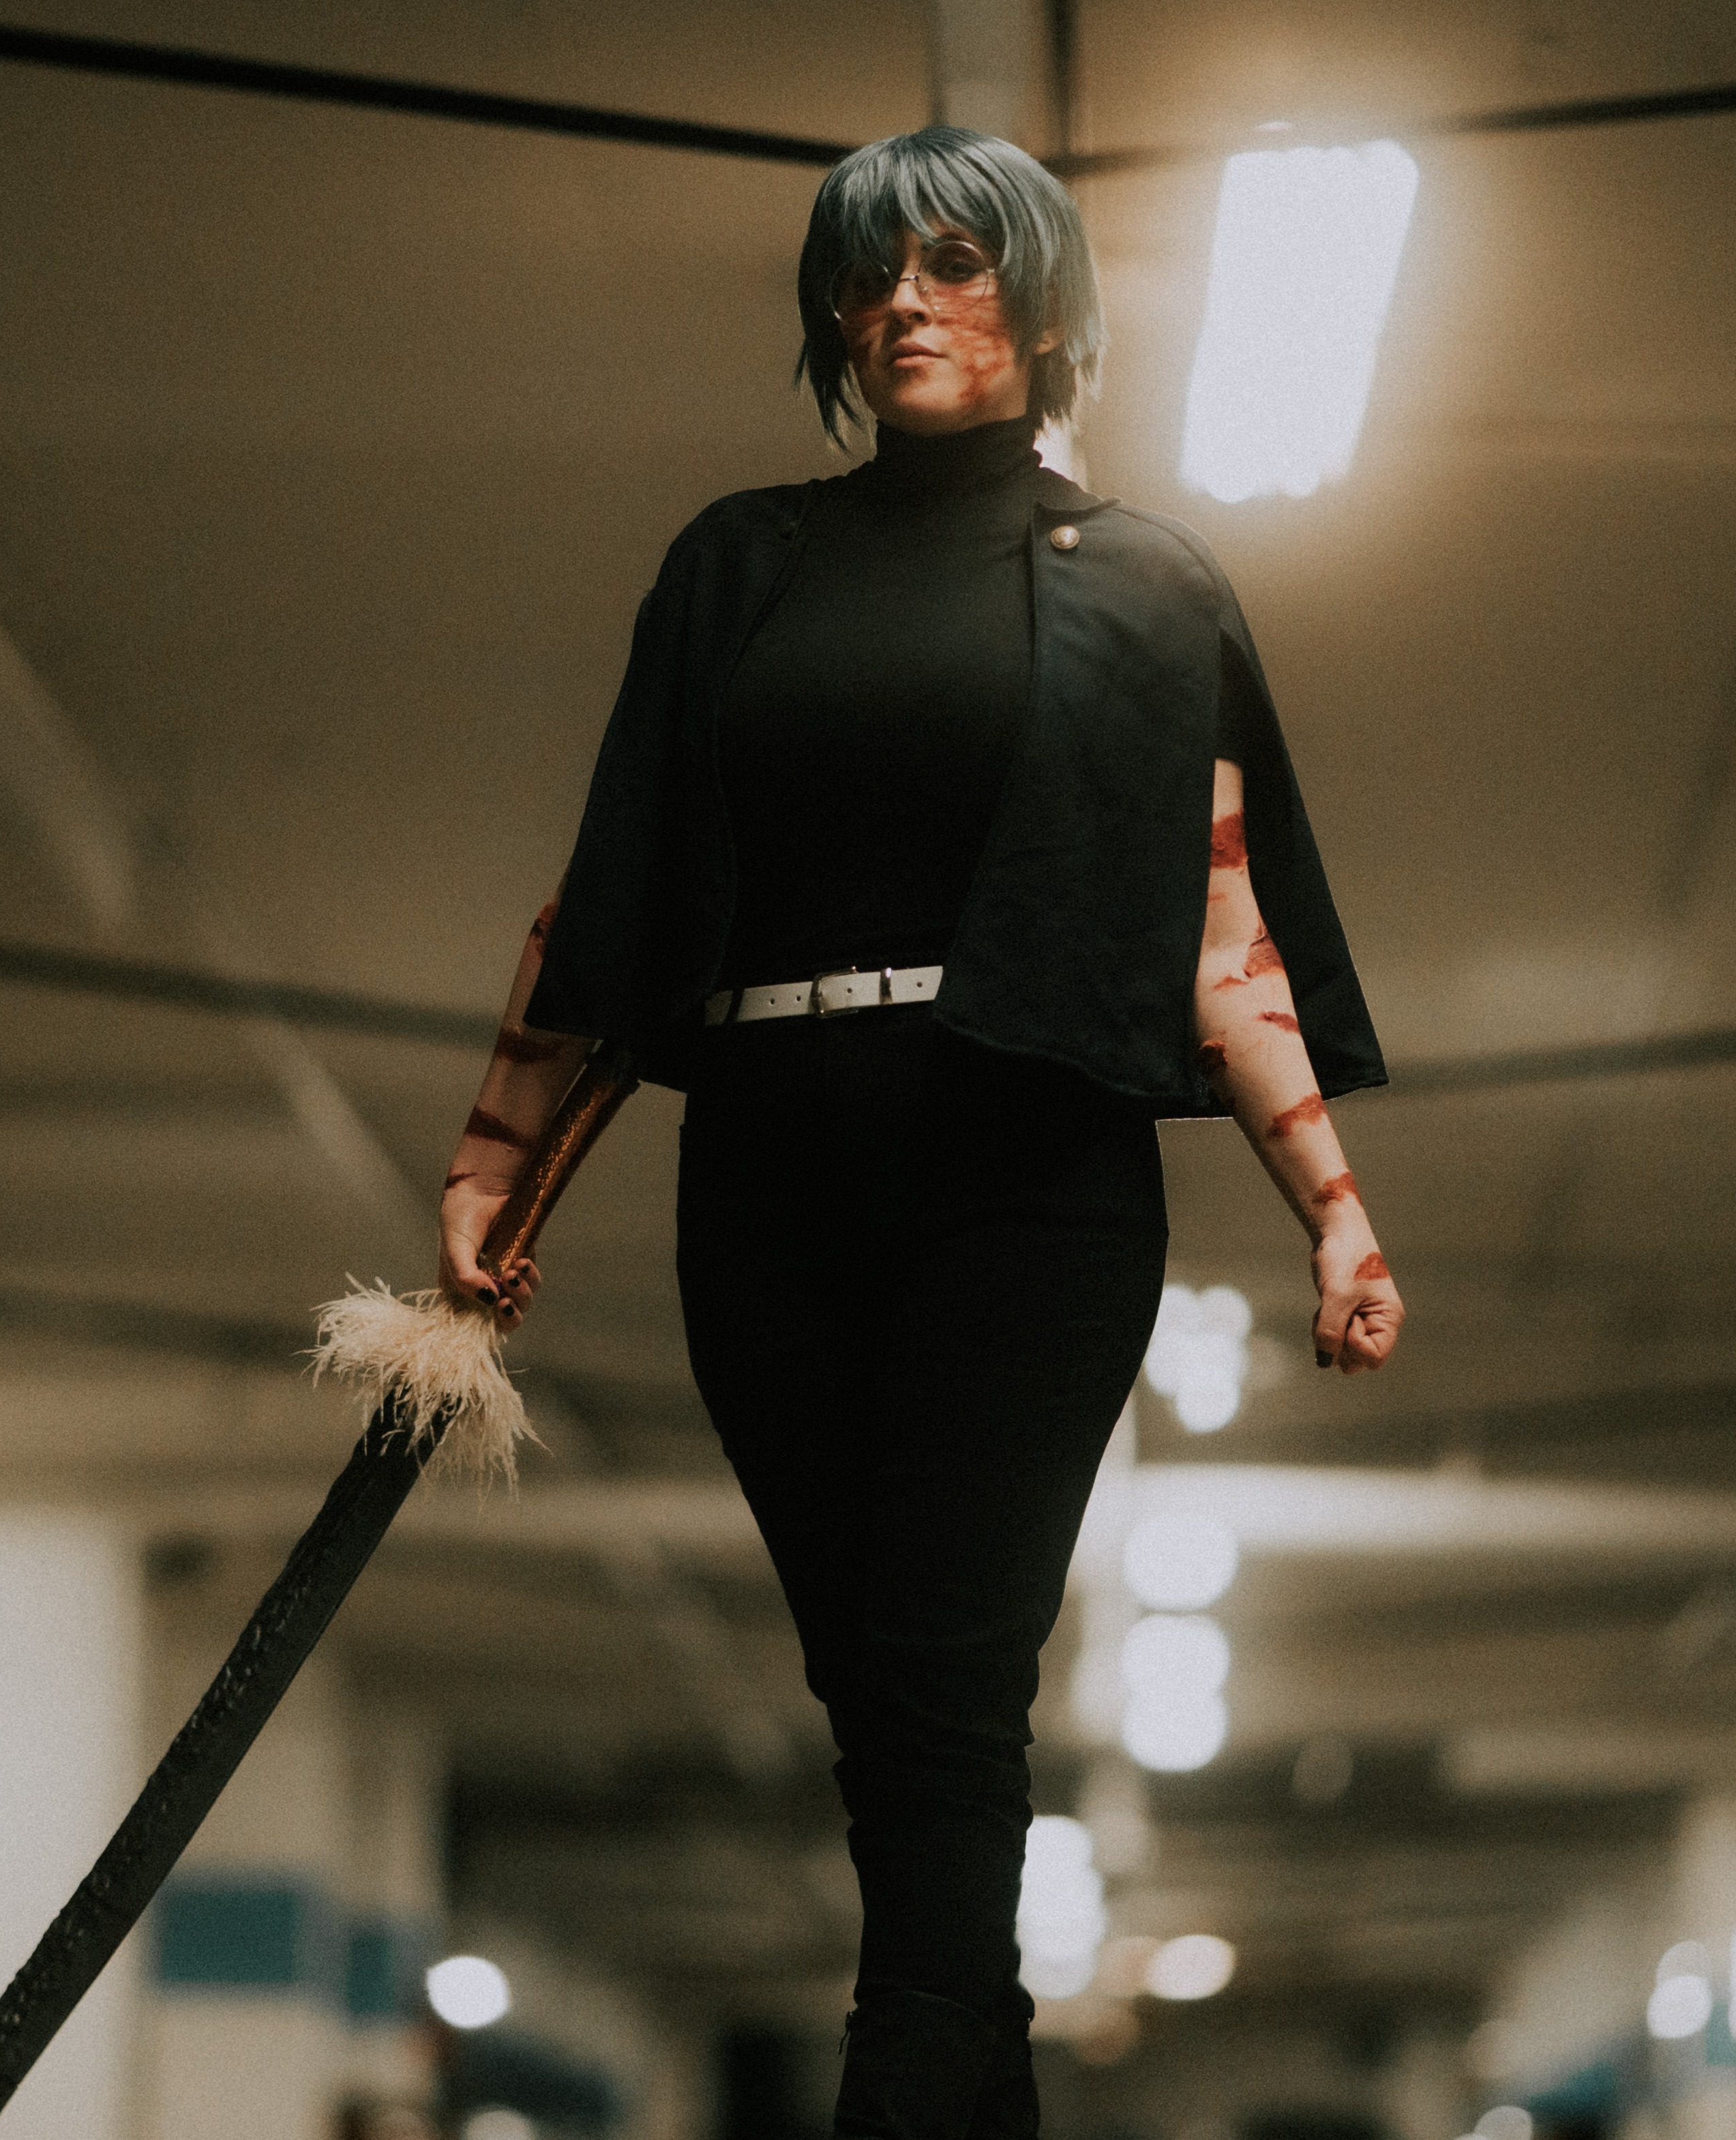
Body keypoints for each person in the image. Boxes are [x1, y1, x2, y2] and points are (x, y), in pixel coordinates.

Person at [436, 125, 1402, 2139]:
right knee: (884, 1703)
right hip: (769, 1183)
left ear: (1042, 311)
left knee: (947, 1680)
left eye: (957, 268)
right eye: (873, 277)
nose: (906, 306)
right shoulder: (738, 568)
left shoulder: (1144, 589)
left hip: (1024, 1180)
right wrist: (485, 1160)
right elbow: (609, 896)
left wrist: (1332, 1208)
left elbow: (1224, 934)